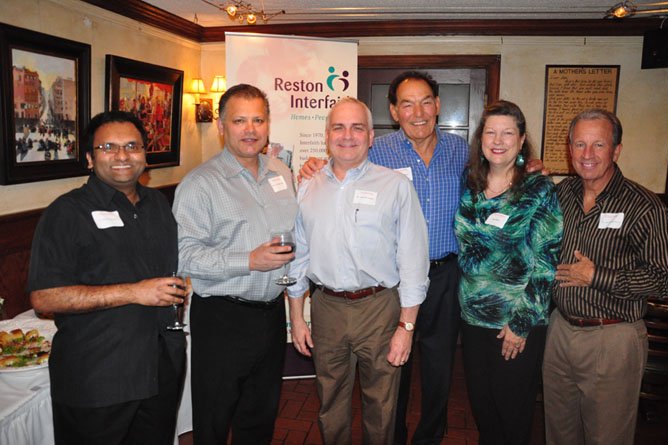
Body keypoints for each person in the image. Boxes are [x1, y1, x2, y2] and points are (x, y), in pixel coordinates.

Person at [28, 111, 187, 444]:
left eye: (132, 146)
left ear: (145, 154)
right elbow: (44, 297)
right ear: (89, 158)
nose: (122, 156)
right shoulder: (67, 213)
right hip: (98, 377)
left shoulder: (157, 204)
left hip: (159, 369)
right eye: (108, 147)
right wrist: (133, 292)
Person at [287, 97, 429, 444]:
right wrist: (297, 318)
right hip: (327, 307)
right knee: (329, 401)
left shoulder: (395, 186)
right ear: (327, 135)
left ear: (370, 136)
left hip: (379, 309)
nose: (347, 136)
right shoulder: (307, 186)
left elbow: (413, 261)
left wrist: (405, 328)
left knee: (381, 404)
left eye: (357, 128)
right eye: (338, 127)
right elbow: (298, 256)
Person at [172, 83, 298, 444]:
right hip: (222, 318)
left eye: (258, 119)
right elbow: (184, 256)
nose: (250, 129)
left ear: (268, 125)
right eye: (239, 120)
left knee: (260, 416)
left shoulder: (281, 172)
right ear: (222, 126)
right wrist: (249, 260)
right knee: (213, 417)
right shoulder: (200, 184)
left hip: (271, 315)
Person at [543, 109, 668, 445]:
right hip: (560, 331)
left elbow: (663, 279)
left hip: (613, 337)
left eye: (598, 145)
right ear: (569, 149)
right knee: (559, 432)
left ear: (616, 150)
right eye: (580, 144)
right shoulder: (561, 195)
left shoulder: (645, 206)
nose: (587, 155)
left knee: (607, 437)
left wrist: (598, 275)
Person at [454, 100, 563, 444]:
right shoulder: (470, 183)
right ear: (480, 139)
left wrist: (521, 323)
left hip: (515, 323)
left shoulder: (538, 190)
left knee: (512, 412)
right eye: (490, 132)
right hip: (472, 319)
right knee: (483, 409)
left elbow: (546, 263)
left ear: (521, 140)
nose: (497, 140)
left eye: (507, 133)